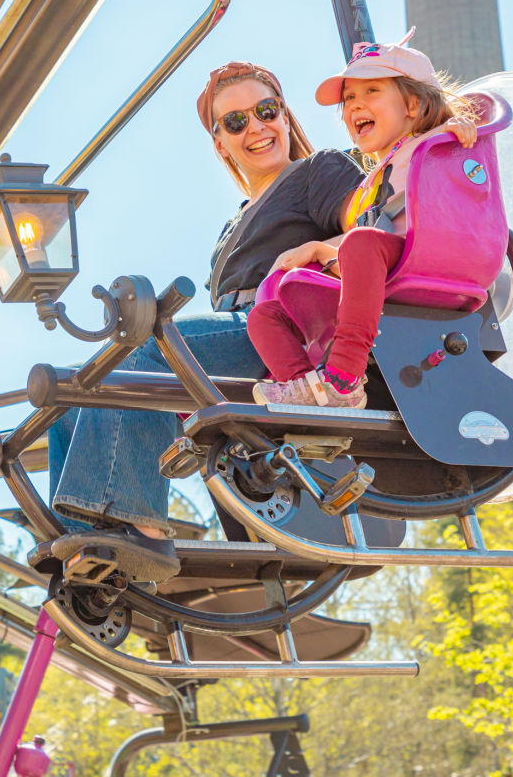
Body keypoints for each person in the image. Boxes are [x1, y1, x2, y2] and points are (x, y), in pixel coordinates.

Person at [45, 61, 365, 583]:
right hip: (238, 324)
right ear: (220, 143)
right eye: (236, 122)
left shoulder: (319, 172)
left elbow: (377, 232)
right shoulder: (235, 222)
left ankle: (140, 530)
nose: (257, 128)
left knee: (147, 354)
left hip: (283, 325)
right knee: (80, 383)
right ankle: (81, 534)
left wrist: (321, 248)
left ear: (285, 115)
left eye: (266, 111)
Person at [247, 29, 479, 410]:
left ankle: (343, 378)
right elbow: (372, 227)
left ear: (415, 104)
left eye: (372, 92)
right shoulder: (374, 179)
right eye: (350, 97)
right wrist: (317, 248)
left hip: (430, 260)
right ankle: (306, 393)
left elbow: (459, 162)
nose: (355, 105)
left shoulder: (430, 145)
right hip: (384, 264)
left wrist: (452, 132)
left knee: (359, 243)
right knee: (264, 316)